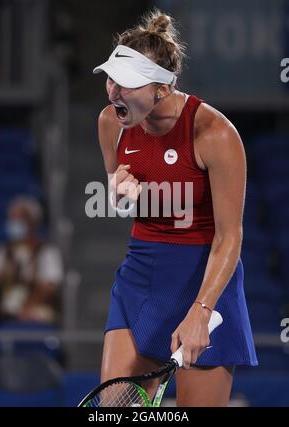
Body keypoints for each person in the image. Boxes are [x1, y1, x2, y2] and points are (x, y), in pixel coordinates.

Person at [93, 9, 258, 407]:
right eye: (111, 79)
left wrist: (202, 309)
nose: (114, 91)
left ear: (161, 89)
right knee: (113, 410)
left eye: (128, 84)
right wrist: (117, 193)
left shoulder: (216, 134)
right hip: (142, 275)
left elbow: (230, 234)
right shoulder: (110, 123)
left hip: (204, 279)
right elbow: (120, 195)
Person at [0, 196, 64, 324]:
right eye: (12, 219)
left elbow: (49, 286)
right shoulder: (2, 251)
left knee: (40, 314)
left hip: (35, 308)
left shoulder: (47, 252)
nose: (14, 223)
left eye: (20, 219)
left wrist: (28, 306)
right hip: (5, 309)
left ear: (33, 222)